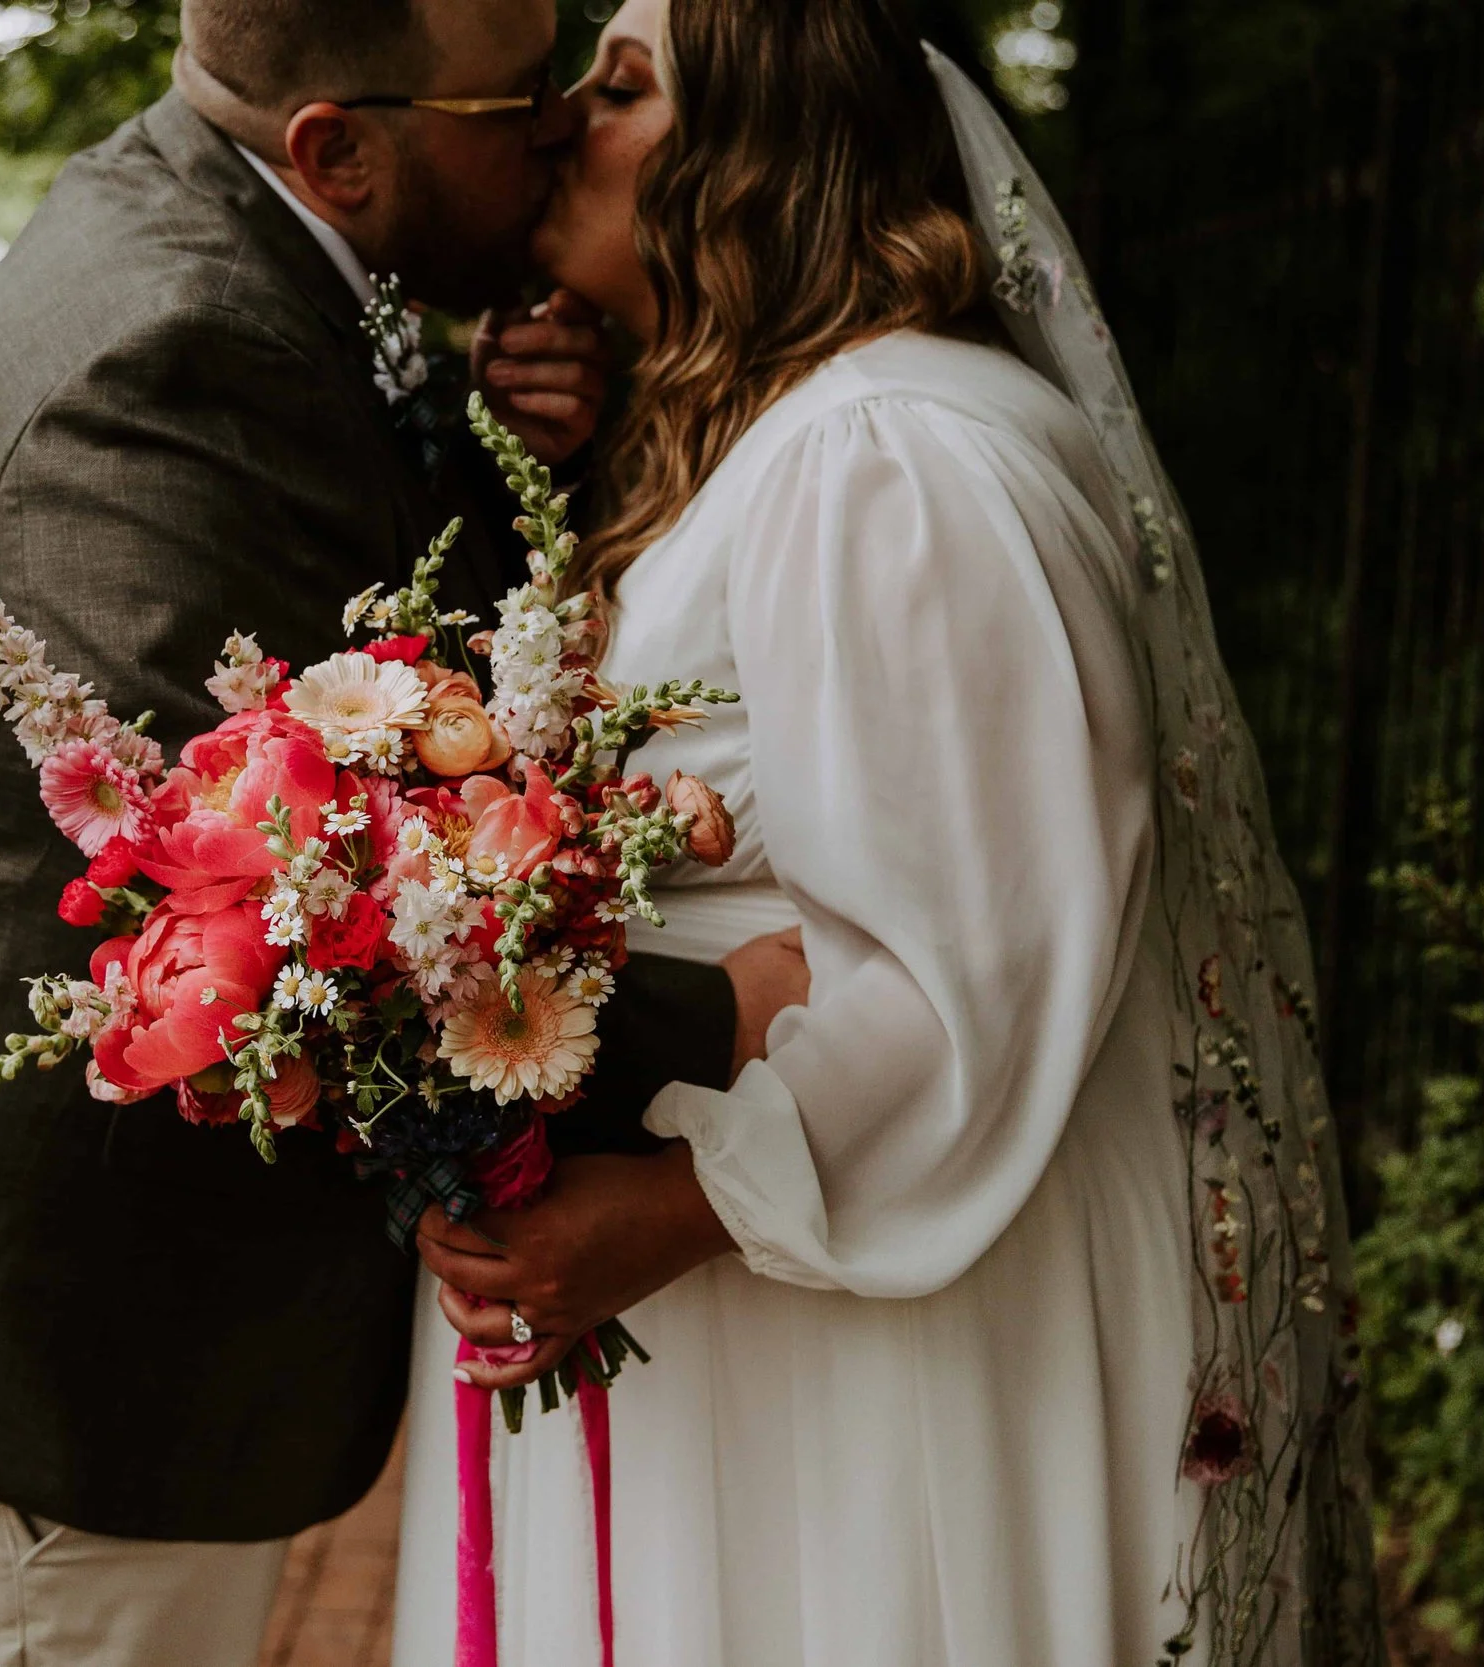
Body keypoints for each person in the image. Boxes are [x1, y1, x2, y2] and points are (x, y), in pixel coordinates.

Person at [0, 2, 809, 1662]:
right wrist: (735, 1025)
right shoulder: (171, 346)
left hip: (61, 1326)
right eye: (523, 98)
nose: (566, 125)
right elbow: (295, 900)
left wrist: (532, 456)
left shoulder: (246, 241)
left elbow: (378, 667)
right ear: (337, 148)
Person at [396, 2, 1383, 1663]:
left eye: (623, 86)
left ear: (764, 160)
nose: (561, 118)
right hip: (792, 1301)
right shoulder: (788, 441)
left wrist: (672, 1210)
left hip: (893, 1306)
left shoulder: (893, 460)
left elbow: (972, 966)